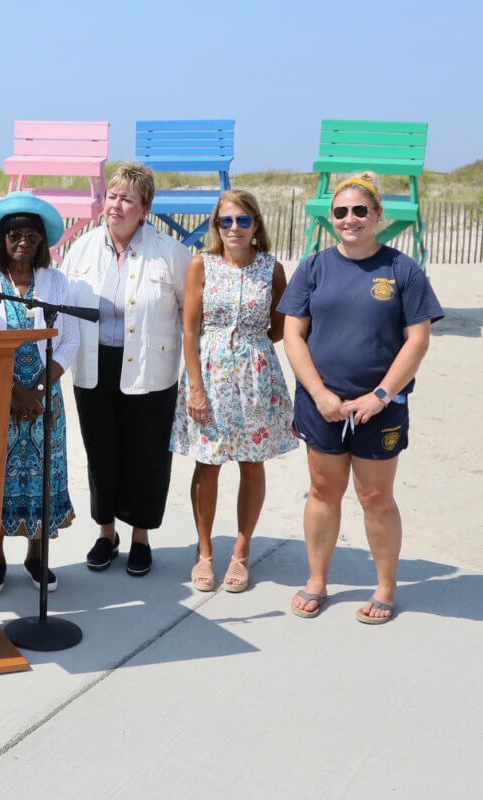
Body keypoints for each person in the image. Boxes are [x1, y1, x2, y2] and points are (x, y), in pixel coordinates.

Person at [279, 173, 442, 623]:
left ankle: (386, 586)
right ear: (331, 219)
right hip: (322, 403)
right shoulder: (313, 267)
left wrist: (382, 395)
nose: (350, 219)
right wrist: (320, 394)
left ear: (377, 216)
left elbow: (417, 341)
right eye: (340, 212)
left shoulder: (402, 269)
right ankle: (317, 579)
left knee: (376, 497)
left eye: (359, 211)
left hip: (380, 407)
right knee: (323, 491)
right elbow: (293, 335)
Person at [62, 162, 191, 577]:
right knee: (101, 452)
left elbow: (191, 317)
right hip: (93, 366)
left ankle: (140, 536)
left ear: (145, 207)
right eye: (112, 196)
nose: (115, 205)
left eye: (126, 199)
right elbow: (62, 309)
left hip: (151, 370)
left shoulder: (171, 252)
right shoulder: (80, 248)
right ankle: (106, 533)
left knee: (147, 454)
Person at [170, 190, 297, 593]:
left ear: (256, 224)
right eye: (226, 221)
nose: (234, 228)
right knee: (207, 463)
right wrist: (196, 387)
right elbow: (190, 329)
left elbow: (281, 326)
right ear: (216, 226)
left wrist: (250, 352)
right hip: (208, 373)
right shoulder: (200, 265)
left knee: (251, 462)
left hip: (257, 377)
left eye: (243, 220)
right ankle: (204, 552)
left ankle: (242, 551)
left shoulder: (272, 269)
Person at [0, 192, 77, 593]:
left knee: (43, 475)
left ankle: (36, 557)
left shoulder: (56, 281)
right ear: (0, 240)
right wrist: (14, 390)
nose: (23, 243)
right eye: (14, 235)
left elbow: (70, 341)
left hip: (46, 400)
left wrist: (40, 390)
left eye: (32, 236)